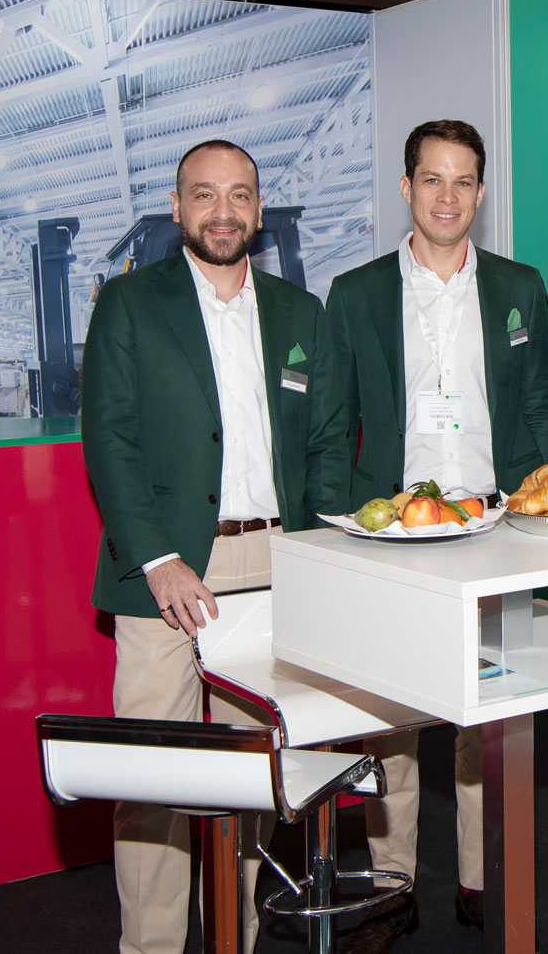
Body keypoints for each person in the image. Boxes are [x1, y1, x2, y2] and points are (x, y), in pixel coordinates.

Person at [82, 139, 341, 954]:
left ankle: (234, 938)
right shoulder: (130, 303)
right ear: (176, 206)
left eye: (239, 195)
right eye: (204, 194)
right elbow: (109, 437)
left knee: (249, 776)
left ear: (258, 210)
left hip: (273, 565)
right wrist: (157, 557)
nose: (222, 211)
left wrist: (319, 554)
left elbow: (328, 442)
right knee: (152, 777)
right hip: (166, 569)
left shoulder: (300, 312)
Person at [318, 118, 548, 954]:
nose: (447, 197)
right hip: (395, 531)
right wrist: (334, 532)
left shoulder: (521, 286)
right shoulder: (355, 292)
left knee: (489, 719)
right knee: (391, 720)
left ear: (481, 193)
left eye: (462, 181)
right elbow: (334, 421)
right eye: (431, 179)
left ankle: (483, 881)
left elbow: (538, 406)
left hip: (494, 527)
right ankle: (392, 887)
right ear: (406, 187)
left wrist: (538, 515)